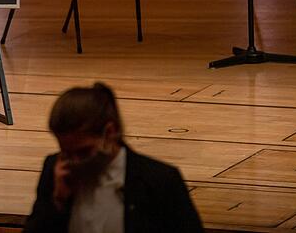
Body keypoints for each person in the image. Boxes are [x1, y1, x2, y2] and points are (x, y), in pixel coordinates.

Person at [24, 83, 204, 233]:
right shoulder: (55, 170)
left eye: (84, 152)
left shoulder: (159, 180)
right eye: (67, 153)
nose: (75, 161)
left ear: (110, 132)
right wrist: (57, 202)